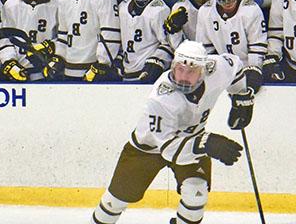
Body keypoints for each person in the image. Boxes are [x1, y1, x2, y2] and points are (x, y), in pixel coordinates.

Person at [90, 40, 254, 224]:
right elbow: (169, 149)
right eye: (179, 69)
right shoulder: (161, 98)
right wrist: (206, 143)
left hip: (191, 140)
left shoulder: (216, 68)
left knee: (196, 195)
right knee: (115, 202)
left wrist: (241, 97)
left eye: (191, 71)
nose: (183, 76)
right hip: (147, 148)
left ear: (203, 70)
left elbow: (236, 67)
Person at [43, 0, 120, 81]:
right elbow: (63, 36)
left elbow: (110, 35)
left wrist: (102, 64)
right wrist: (59, 58)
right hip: (69, 69)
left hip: (93, 69)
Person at [196, 0, 267, 94]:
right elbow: (205, 50)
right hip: (222, 71)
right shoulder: (205, 11)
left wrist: (254, 70)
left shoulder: (251, 10)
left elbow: (257, 48)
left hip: (247, 69)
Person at [0, 0, 58, 81]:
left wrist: (52, 46)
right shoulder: (11, 5)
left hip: (47, 72)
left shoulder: (57, 4)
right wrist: (10, 63)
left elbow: (65, 38)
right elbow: (4, 39)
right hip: (18, 72)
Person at [117, 0, 172, 83]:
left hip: (147, 72)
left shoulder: (160, 9)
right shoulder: (123, 7)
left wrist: (156, 62)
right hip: (126, 72)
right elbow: (121, 41)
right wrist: (118, 60)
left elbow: (167, 44)